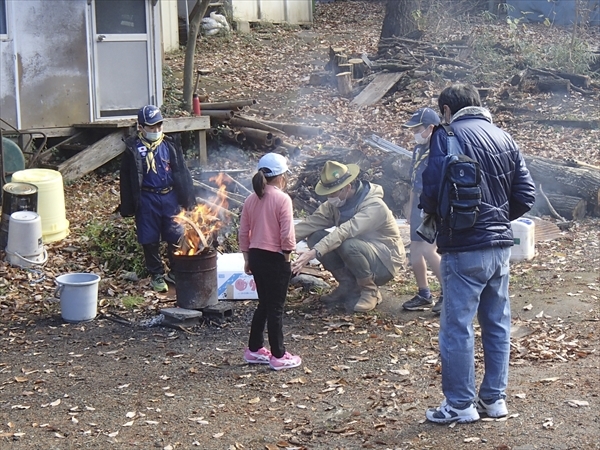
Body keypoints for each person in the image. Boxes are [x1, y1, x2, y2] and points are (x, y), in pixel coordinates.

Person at [420, 84, 536, 424]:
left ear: (445, 109)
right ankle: (494, 401)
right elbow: (525, 194)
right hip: (500, 248)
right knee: (497, 324)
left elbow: (430, 187)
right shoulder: (504, 137)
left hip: (462, 247)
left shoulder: (447, 135)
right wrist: (496, 220)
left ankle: (459, 405)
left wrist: (443, 217)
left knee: (457, 327)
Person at [292, 160, 405, 313]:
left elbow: (345, 231)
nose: (330, 198)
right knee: (315, 236)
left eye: (333, 193)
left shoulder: (374, 206)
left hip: (385, 262)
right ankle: (348, 285)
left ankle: (370, 291)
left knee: (347, 243)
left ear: (347, 187)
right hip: (356, 253)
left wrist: (314, 252)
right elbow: (312, 223)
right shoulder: (336, 203)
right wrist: (283, 242)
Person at [119, 105, 196, 293]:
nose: (156, 130)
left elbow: (182, 173)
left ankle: (176, 270)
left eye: (159, 126)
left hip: (169, 195)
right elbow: (126, 180)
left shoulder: (169, 145)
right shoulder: (133, 149)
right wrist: (128, 206)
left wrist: (189, 199)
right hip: (146, 197)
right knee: (149, 237)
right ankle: (157, 274)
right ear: (141, 127)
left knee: (175, 234)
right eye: (152, 127)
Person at [239, 153, 302, 371]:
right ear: (281, 177)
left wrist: (246, 258)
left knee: (265, 304)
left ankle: (255, 349)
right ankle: (279, 355)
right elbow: (287, 233)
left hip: (256, 255)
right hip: (275, 256)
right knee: (276, 307)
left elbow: (243, 231)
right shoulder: (283, 199)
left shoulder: (251, 199)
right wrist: (287, 257)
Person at [400, 107, 444, 314]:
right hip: (418, 203)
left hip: (432, 206)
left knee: (428, 249)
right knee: (415, 251)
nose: (414, 134)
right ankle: (424, 293)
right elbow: (413, 180)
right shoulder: (419, 149)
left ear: (431, 128)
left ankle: (448, 294)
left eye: (418, 129)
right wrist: (410, 206)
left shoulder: (441, 148)